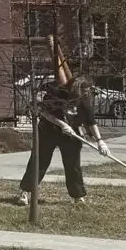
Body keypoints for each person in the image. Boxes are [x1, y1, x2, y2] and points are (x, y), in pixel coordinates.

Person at [20, 49, 96, 207]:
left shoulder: (86, 98)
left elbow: (91, 121)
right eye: (85, 90)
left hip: (70, 134)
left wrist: (100, 141)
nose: (87, 93)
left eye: (89, 91)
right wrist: (62, 124)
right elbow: (44, 112)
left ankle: (78, 196)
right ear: (77, 88)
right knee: (39, 162)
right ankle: (25, 191)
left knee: (73, 165)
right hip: (48, 130)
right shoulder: (56, 92)